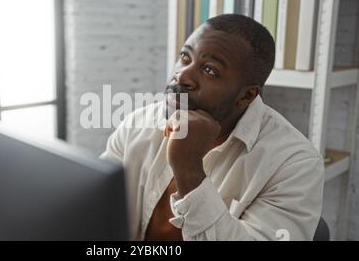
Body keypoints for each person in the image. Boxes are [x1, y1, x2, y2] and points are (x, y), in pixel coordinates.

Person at [100, 14, 324, 241]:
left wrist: (189, 171)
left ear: (245, 96)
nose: (182, 75)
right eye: (185, 57)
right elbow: (97, 206)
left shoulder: (295, 164)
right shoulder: (138, 124)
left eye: (210, 70)